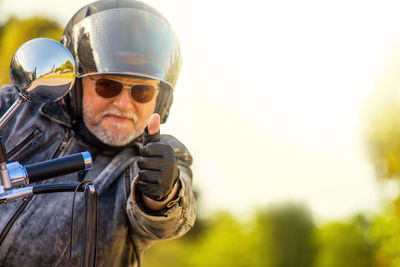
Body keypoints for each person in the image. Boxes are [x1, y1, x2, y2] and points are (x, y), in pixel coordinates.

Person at [0, 0, 195, 266]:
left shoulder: (151, 158)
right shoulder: (16, 107)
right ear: (76, 84)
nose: (124, 104)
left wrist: (163, 193)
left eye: (142, 91)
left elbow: (166, 222)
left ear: (161, 101)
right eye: (106, 85)